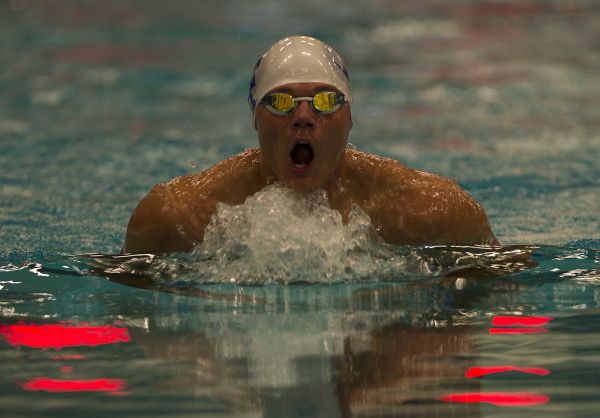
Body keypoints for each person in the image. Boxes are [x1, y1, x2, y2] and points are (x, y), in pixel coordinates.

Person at [122, 35, 499, 254]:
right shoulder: (176, 218)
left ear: (349, 118)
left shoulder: (429, 212)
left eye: (326, 101)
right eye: (281, 102)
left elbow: (498, 295)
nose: (303, 116)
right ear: (256, 119)